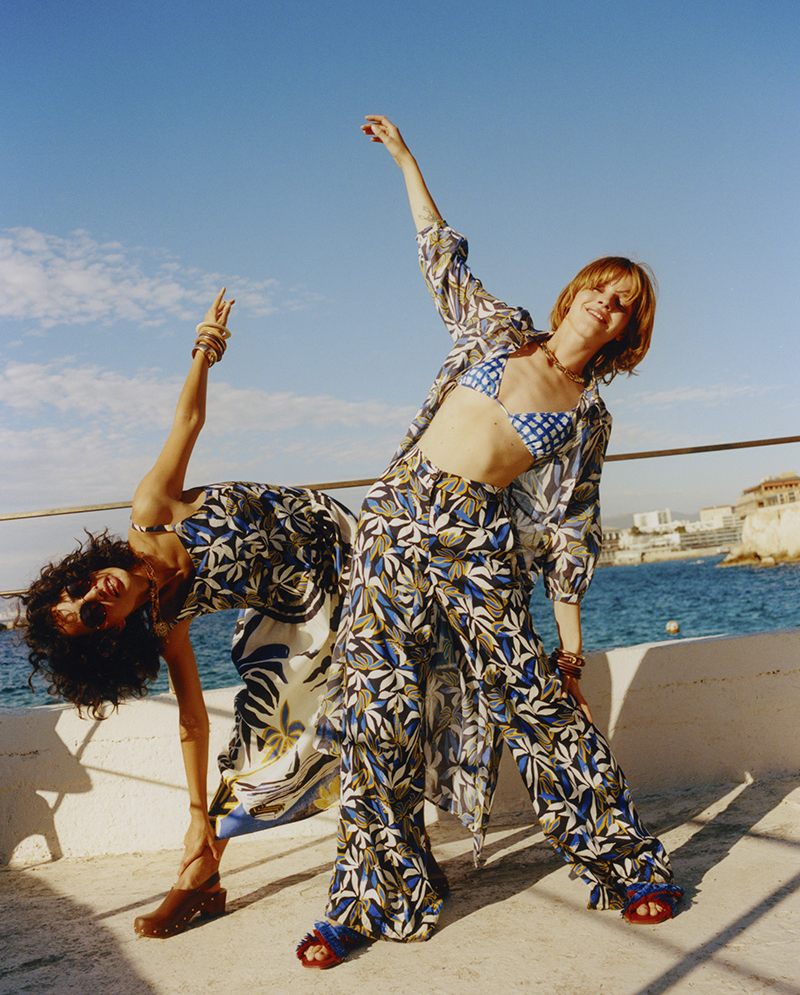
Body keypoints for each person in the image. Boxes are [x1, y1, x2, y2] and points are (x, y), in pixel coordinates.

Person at [297, 117, 681, 968]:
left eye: (623, 302)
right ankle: (371, 895)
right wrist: (406, 161)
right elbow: (441, 255)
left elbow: (571, 530)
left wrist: (570, 652)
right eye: (601, 286)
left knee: (539, 705)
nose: (607, 302)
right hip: (395, 524)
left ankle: (626, 865)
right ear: (574, 292)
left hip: (475, 541)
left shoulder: (587, 415)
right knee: (377, 715)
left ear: (627, 331)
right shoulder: (498, 329)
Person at [20, 288, 357, 938]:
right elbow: (193, 719)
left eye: (78, 585)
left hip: (340, 545)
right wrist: (196, 810)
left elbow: (188, 422)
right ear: (112, 634)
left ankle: (200, 876)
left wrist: (206, 347)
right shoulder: (165, 622)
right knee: (263, 730)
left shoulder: (151, 512)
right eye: (90, 613)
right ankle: (200, 871)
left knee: (382, 683)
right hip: (301, 607)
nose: (95, 593)